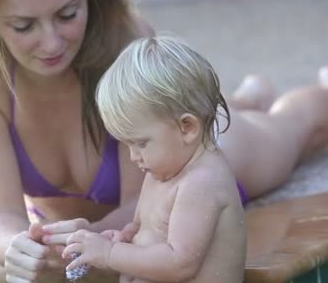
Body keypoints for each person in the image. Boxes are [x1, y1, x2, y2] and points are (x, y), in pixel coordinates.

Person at [0, 0, 328, 281]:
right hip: (107, 219)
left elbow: (143, 205)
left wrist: (91, 244)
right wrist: (13, 245)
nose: (52, 43)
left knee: (292, 131)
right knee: (222, 110)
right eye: (23, 26)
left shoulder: (124, 41)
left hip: (179, 168)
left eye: (67, 14)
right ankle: (243, 96)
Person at [62, 35, 246, 283]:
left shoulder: (201, 182)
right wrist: (125, 238)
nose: (132, 156)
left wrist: (111, 254)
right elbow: (145, 229)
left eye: (140, 143)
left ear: (187, 127)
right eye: (126, 144)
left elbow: (179, 264)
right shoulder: (162, 171)